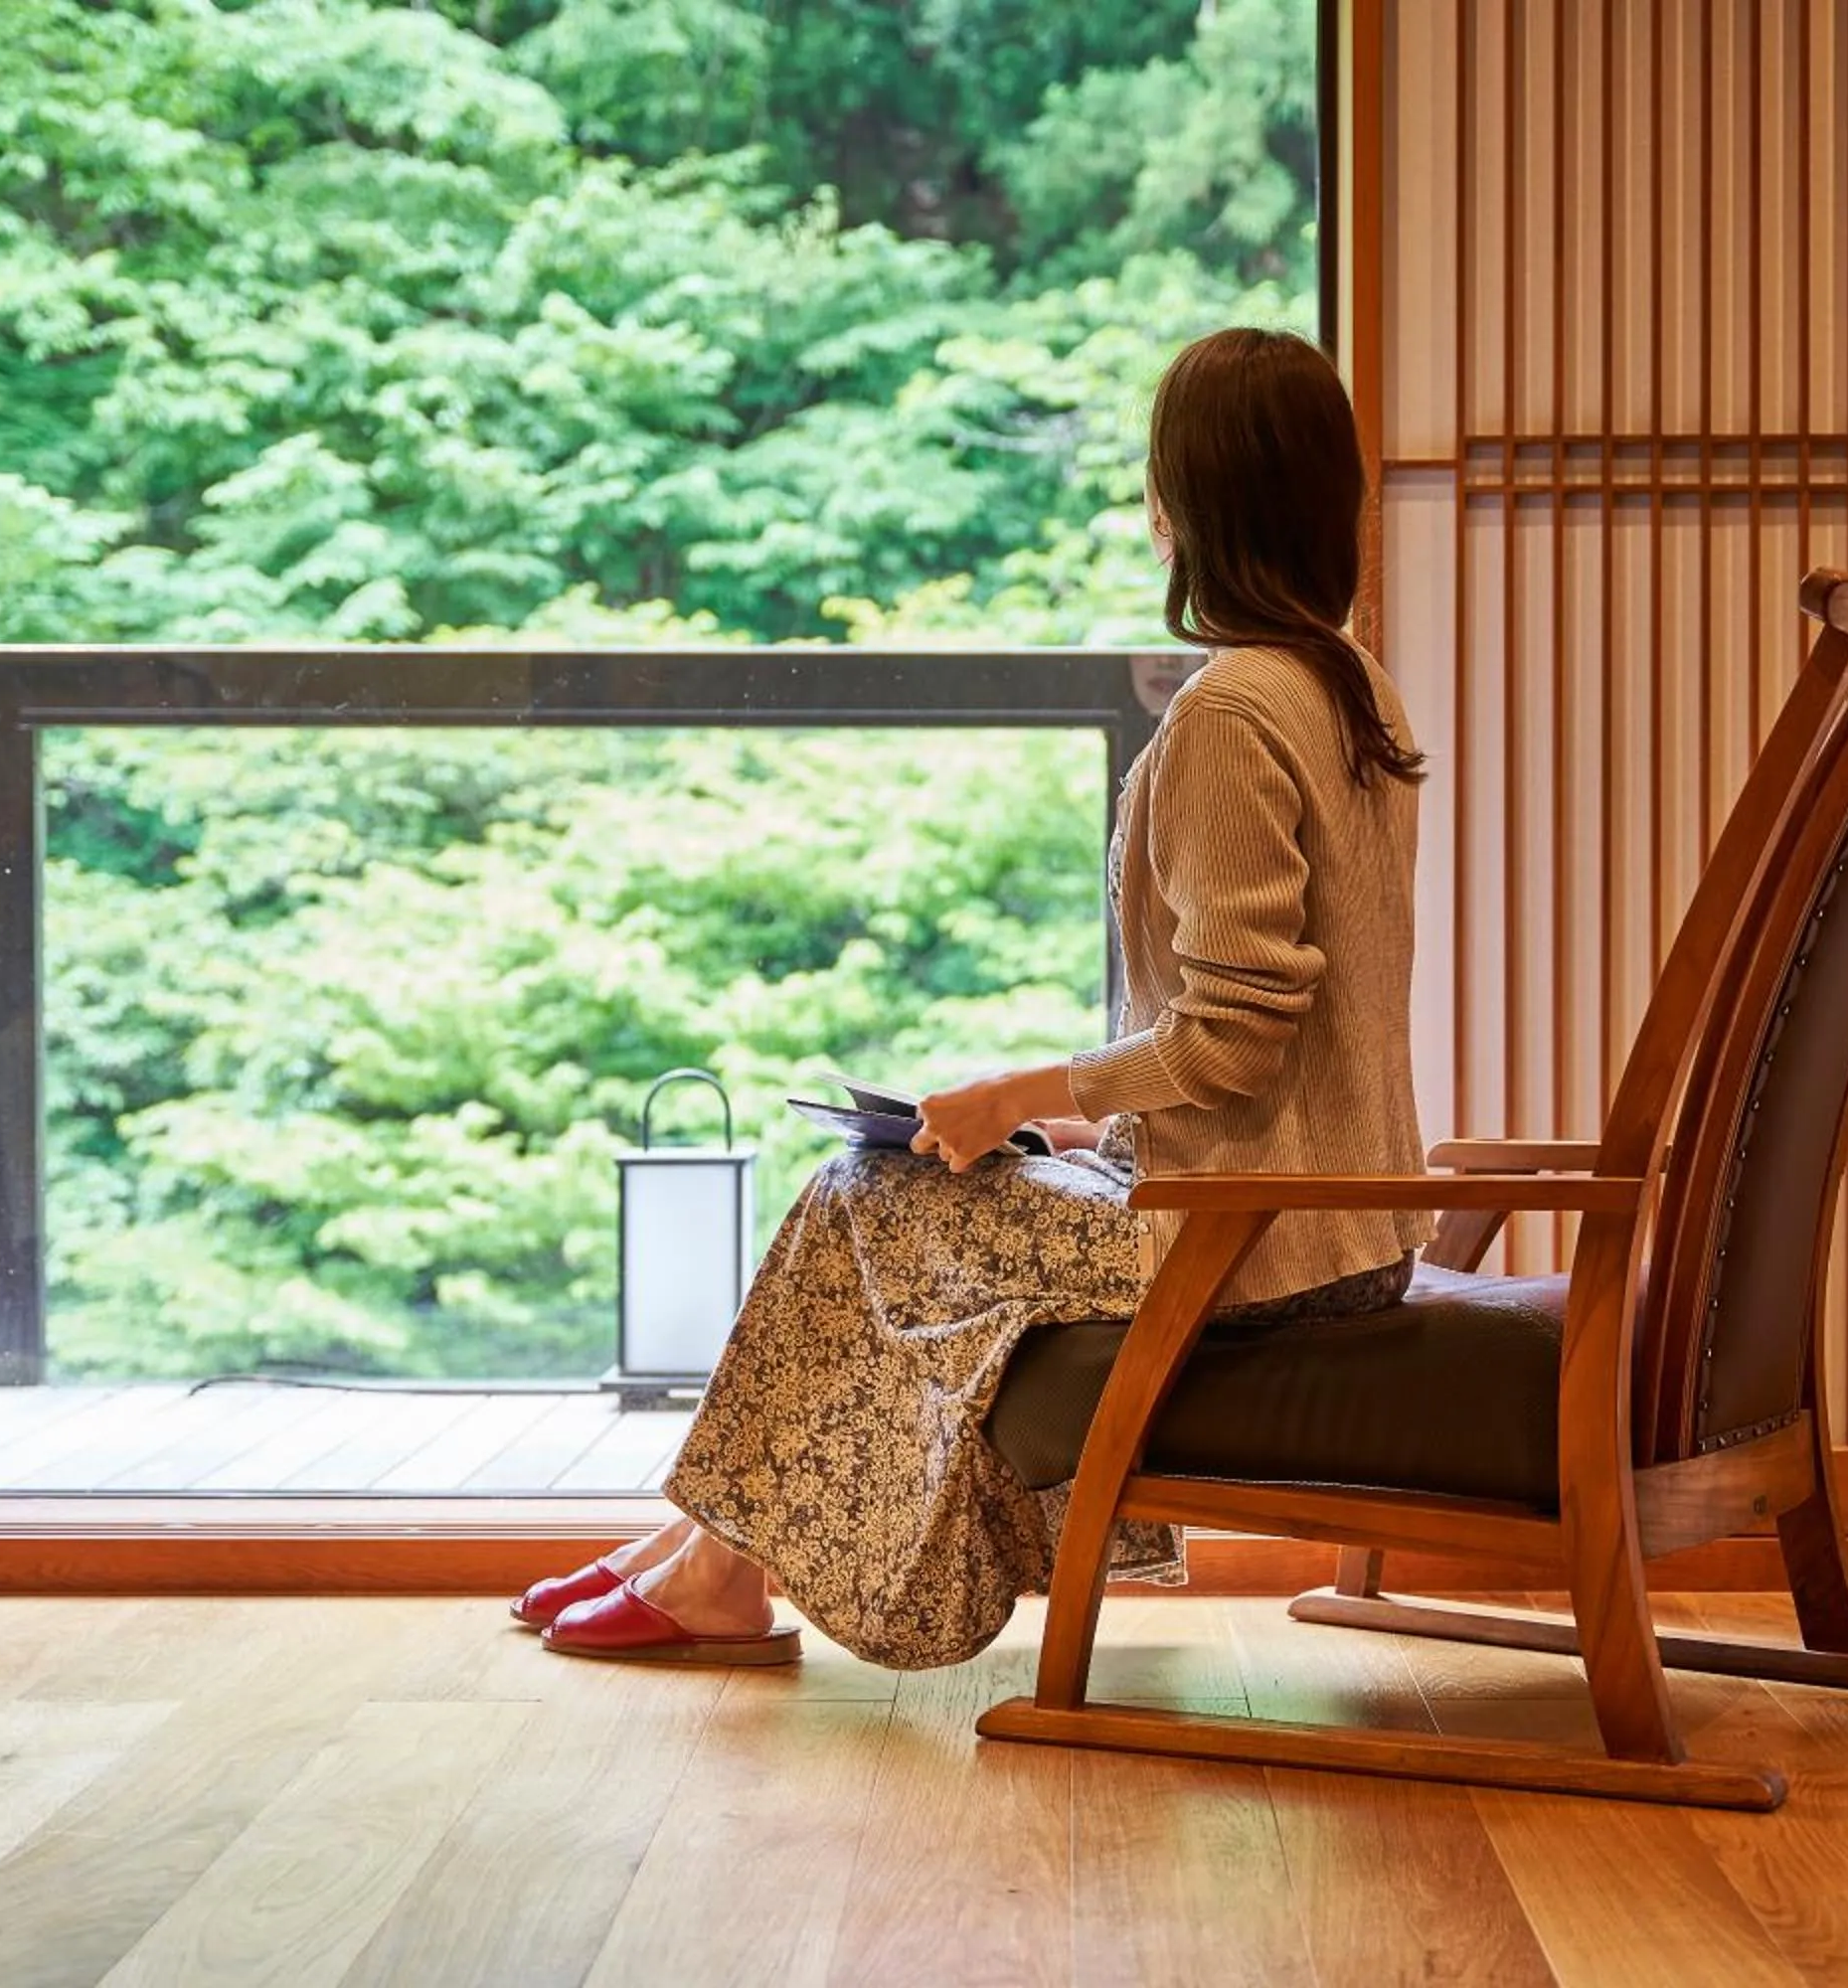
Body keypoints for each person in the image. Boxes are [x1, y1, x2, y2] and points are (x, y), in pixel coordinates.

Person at [511, 326, 1432, 1668]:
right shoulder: (1350, 692)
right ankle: (697, 1548)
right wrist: (1086, 1127)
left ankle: (712, 1562)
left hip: (1243, 1253)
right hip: (1329, 1227)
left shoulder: (1236, 712)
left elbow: (1235, 1039)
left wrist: (1020, 1093)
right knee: (884, 1187)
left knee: (863, 1193)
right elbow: (1283, 1042)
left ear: (1180, 508)